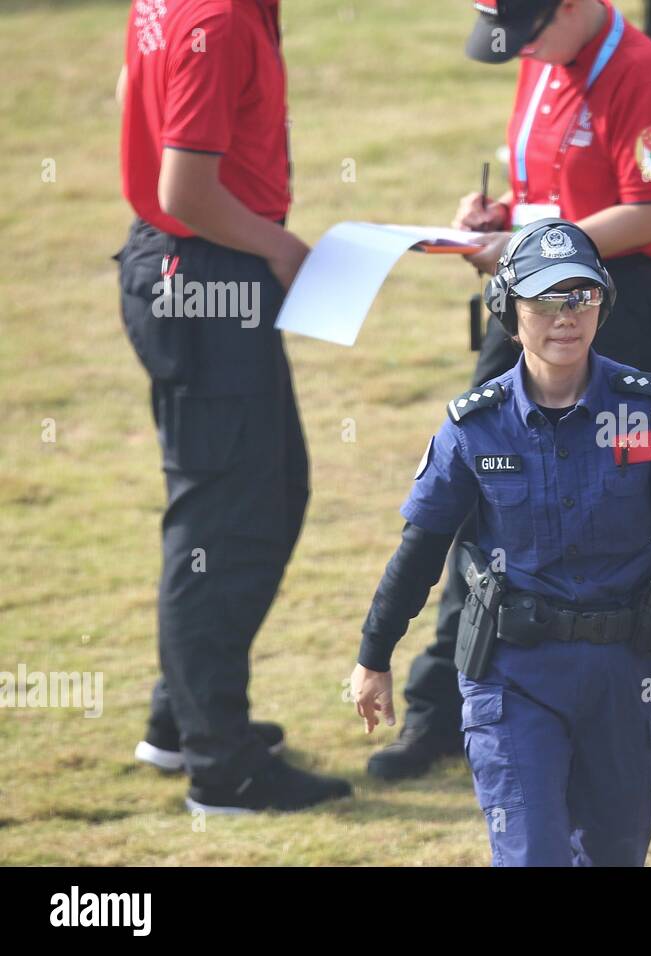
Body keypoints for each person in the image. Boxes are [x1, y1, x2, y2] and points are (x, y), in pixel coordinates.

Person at [368, 0, 651, 778]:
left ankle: (605, 707)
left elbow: (649, 211)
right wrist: (498, 219)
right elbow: (552, 195)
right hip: (527, 310)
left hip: (613, 313)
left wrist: (521, 250)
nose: (527, 53)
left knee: (606, 515)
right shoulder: (542, 58)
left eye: (531, 32)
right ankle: (444, 706)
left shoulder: (642, 74)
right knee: (475, 507)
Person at [351, 220, 651, 865]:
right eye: (545, 300)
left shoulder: (649, 410)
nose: (566, 318)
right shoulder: (473, 426)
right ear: (508, 311)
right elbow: (420, 549)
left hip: (622, 674)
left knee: (616, 851)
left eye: (581, 297)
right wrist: (374, 655)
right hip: (513, 675)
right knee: (533, 853)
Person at [116, 0, 350, 812]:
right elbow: (184, 186)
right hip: (205, 279)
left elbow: (129, 88)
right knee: (224, 521)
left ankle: (185, 718)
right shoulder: (221, 19)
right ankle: (222, 764)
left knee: (267, 495)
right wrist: (281, 245)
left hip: (199, 268)